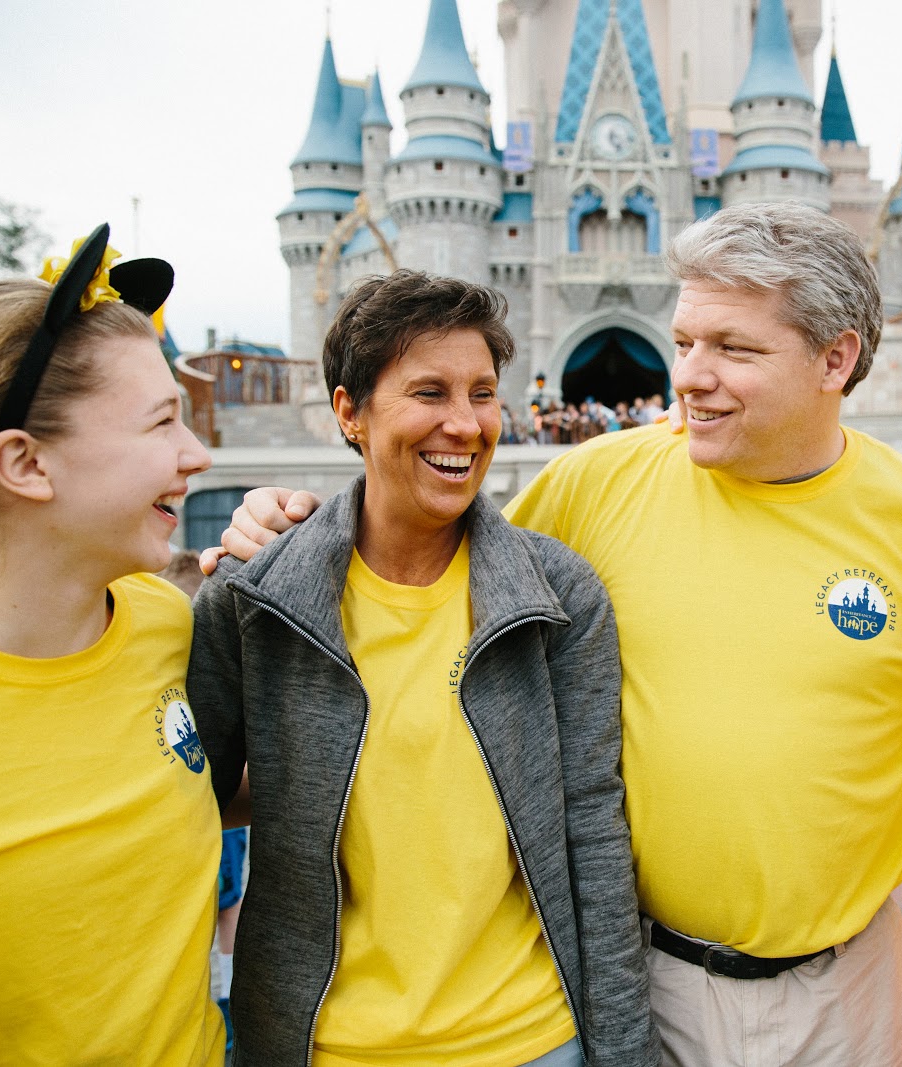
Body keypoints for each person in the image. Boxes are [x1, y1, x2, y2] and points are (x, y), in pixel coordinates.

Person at [205, 203, 902, 1066]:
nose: (692, 376)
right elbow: (434, 543)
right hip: (645, 975)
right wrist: (287, 527)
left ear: (836, 357)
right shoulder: (594, 484)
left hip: (844, 991)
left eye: (733, 348)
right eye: (685, 341)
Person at [186, 270, 656, 1067]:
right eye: (430, 392)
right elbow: (186, 808)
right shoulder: (257, 598)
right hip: (331, 1046)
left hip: (531, 1041)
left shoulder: (560, 597)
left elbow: (594, 842)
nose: (465, 424)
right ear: (349, 412)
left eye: (482, 392)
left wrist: (623, 1052)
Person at [0, 226, 224, 1062]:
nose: (197, 455)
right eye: (162, 423)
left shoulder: (163, 622)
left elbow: (217, 785)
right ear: (26, 464)